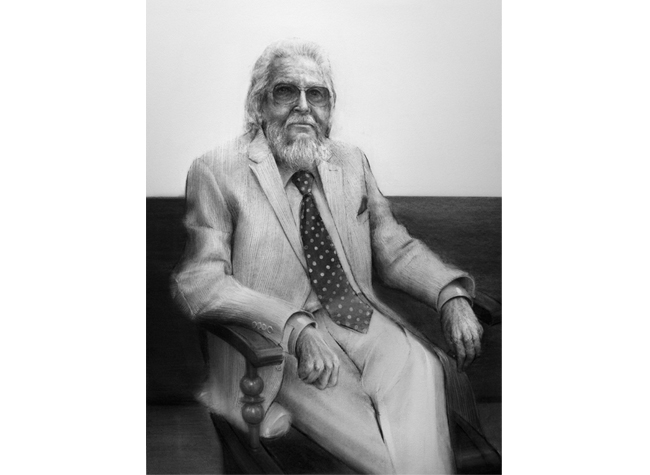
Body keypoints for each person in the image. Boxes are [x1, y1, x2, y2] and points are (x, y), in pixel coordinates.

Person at [171, 39, 485, 474]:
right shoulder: (217, 170)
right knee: (384, 456)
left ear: (329, 109)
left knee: (420, 373)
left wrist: (449, 295)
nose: (303, 106)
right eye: (286, 91)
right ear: (259, 105)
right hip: (277, 344)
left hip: (358, 317)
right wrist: (292, 325)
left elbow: (392, 246)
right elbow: (200, 283)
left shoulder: (351, 162)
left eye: (316, 94)